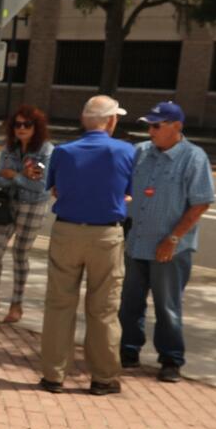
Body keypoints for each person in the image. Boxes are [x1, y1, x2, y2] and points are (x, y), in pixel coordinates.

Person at [39, 94, 137, 394]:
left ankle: (53, 375)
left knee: (59, 305)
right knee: (104, 308)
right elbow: (128, 192)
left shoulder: (64, 151)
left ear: (85, 119)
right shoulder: (125, 151)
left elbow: (54, 188)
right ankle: (103, 377)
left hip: (67, 231)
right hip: (105, 235)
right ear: (111, 120)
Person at [121, 101, 216, 382]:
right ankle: (128, 349)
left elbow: (200, 203)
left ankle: (171, 358)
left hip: (170, 248)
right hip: (136, 241)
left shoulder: (193, 157)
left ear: (177, 127)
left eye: (156, 126)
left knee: (167, 306)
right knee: (130, 301)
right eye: (148, 125)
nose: (150, 131)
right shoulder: (141, 153)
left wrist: (173, 239)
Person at [0, 105, 53, 324]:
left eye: (27, 124)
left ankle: (17, 304)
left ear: (37, 127)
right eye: (17, 124)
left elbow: (41, 187)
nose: (21, 129)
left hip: (33, 205)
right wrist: (23, 176)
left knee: (20, 253)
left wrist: (14, 176)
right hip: (7, 203)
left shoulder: (45, 150)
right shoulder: (9, 148)